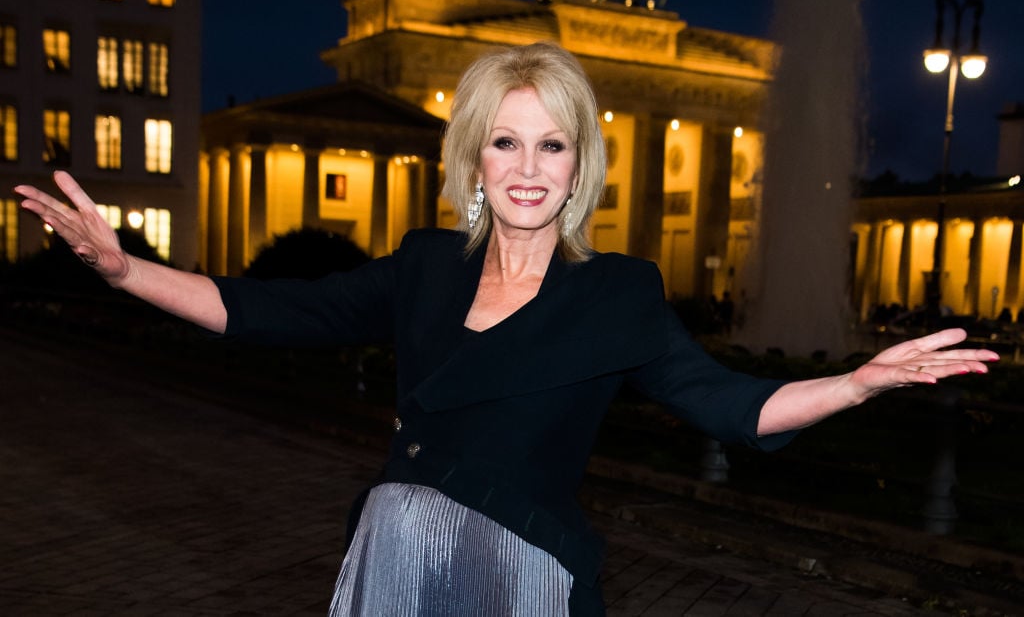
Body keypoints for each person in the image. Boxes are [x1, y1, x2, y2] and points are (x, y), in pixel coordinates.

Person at [13, 42, 998, 616]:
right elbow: (261, 309)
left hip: (528, 561)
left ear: (579, 164)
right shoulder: (424, 266)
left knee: (396, 507)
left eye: (552, 143)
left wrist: (861, 382)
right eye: (506, 140)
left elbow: (736, 405)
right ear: (473, 156)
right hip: (405, 549)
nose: (528, 166)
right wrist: (121, 264)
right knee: (397, 508)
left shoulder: (615, 292)